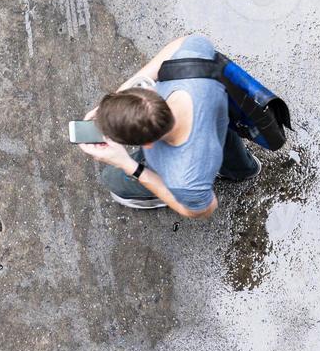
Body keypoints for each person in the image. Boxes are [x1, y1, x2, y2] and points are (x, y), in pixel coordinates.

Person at [78, 34, 260, 217]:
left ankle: (162, 191)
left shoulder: (184, 178)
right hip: (216, 119)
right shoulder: (190, 65)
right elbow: (183, 43)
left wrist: (128, 165)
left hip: (192, 166)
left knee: (111, 179)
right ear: (148, 92)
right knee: (224, 141)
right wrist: (121, 98)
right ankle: (242, 168)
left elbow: (203, 209)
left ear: (148, 144)